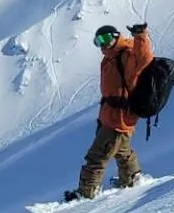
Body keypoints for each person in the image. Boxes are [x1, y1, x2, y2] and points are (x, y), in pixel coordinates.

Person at [65, 23, 152, 202]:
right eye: (98, 41)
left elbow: (144, 60)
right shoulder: (110, 57)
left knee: (97, 155)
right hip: (108, 115)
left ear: (116, 36)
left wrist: (140, 36)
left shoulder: (126, 55)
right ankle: (131, 178)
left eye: (106, 39)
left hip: (119, 117)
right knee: (121, 149)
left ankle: (85, 193)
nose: (103, 44)